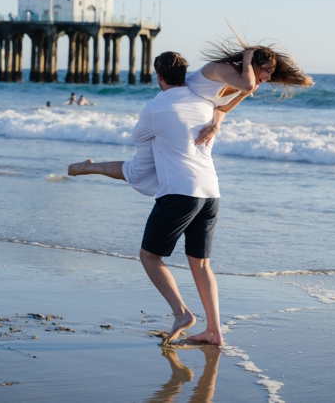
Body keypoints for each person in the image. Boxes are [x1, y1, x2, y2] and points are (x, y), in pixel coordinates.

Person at [66, 52, 225, 345]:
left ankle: (182, 313)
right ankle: (214, 331)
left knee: (149, 256)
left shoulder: (155, 107)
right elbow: (225, 102)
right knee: (201, 264)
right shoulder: (203, 101)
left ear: (159, 77)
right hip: (211, 191)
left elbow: (139, 140)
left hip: (179, 192)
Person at [185, 40, 313, 146]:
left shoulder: (248, 87)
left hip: (192, 124)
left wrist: (216, 125)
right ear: (252, 65)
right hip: (176, 107)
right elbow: (248, 85)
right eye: (267, 70)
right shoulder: (223, 68)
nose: (269, 77)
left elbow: (222, 110)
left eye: (271, 73)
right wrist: (247, 61)